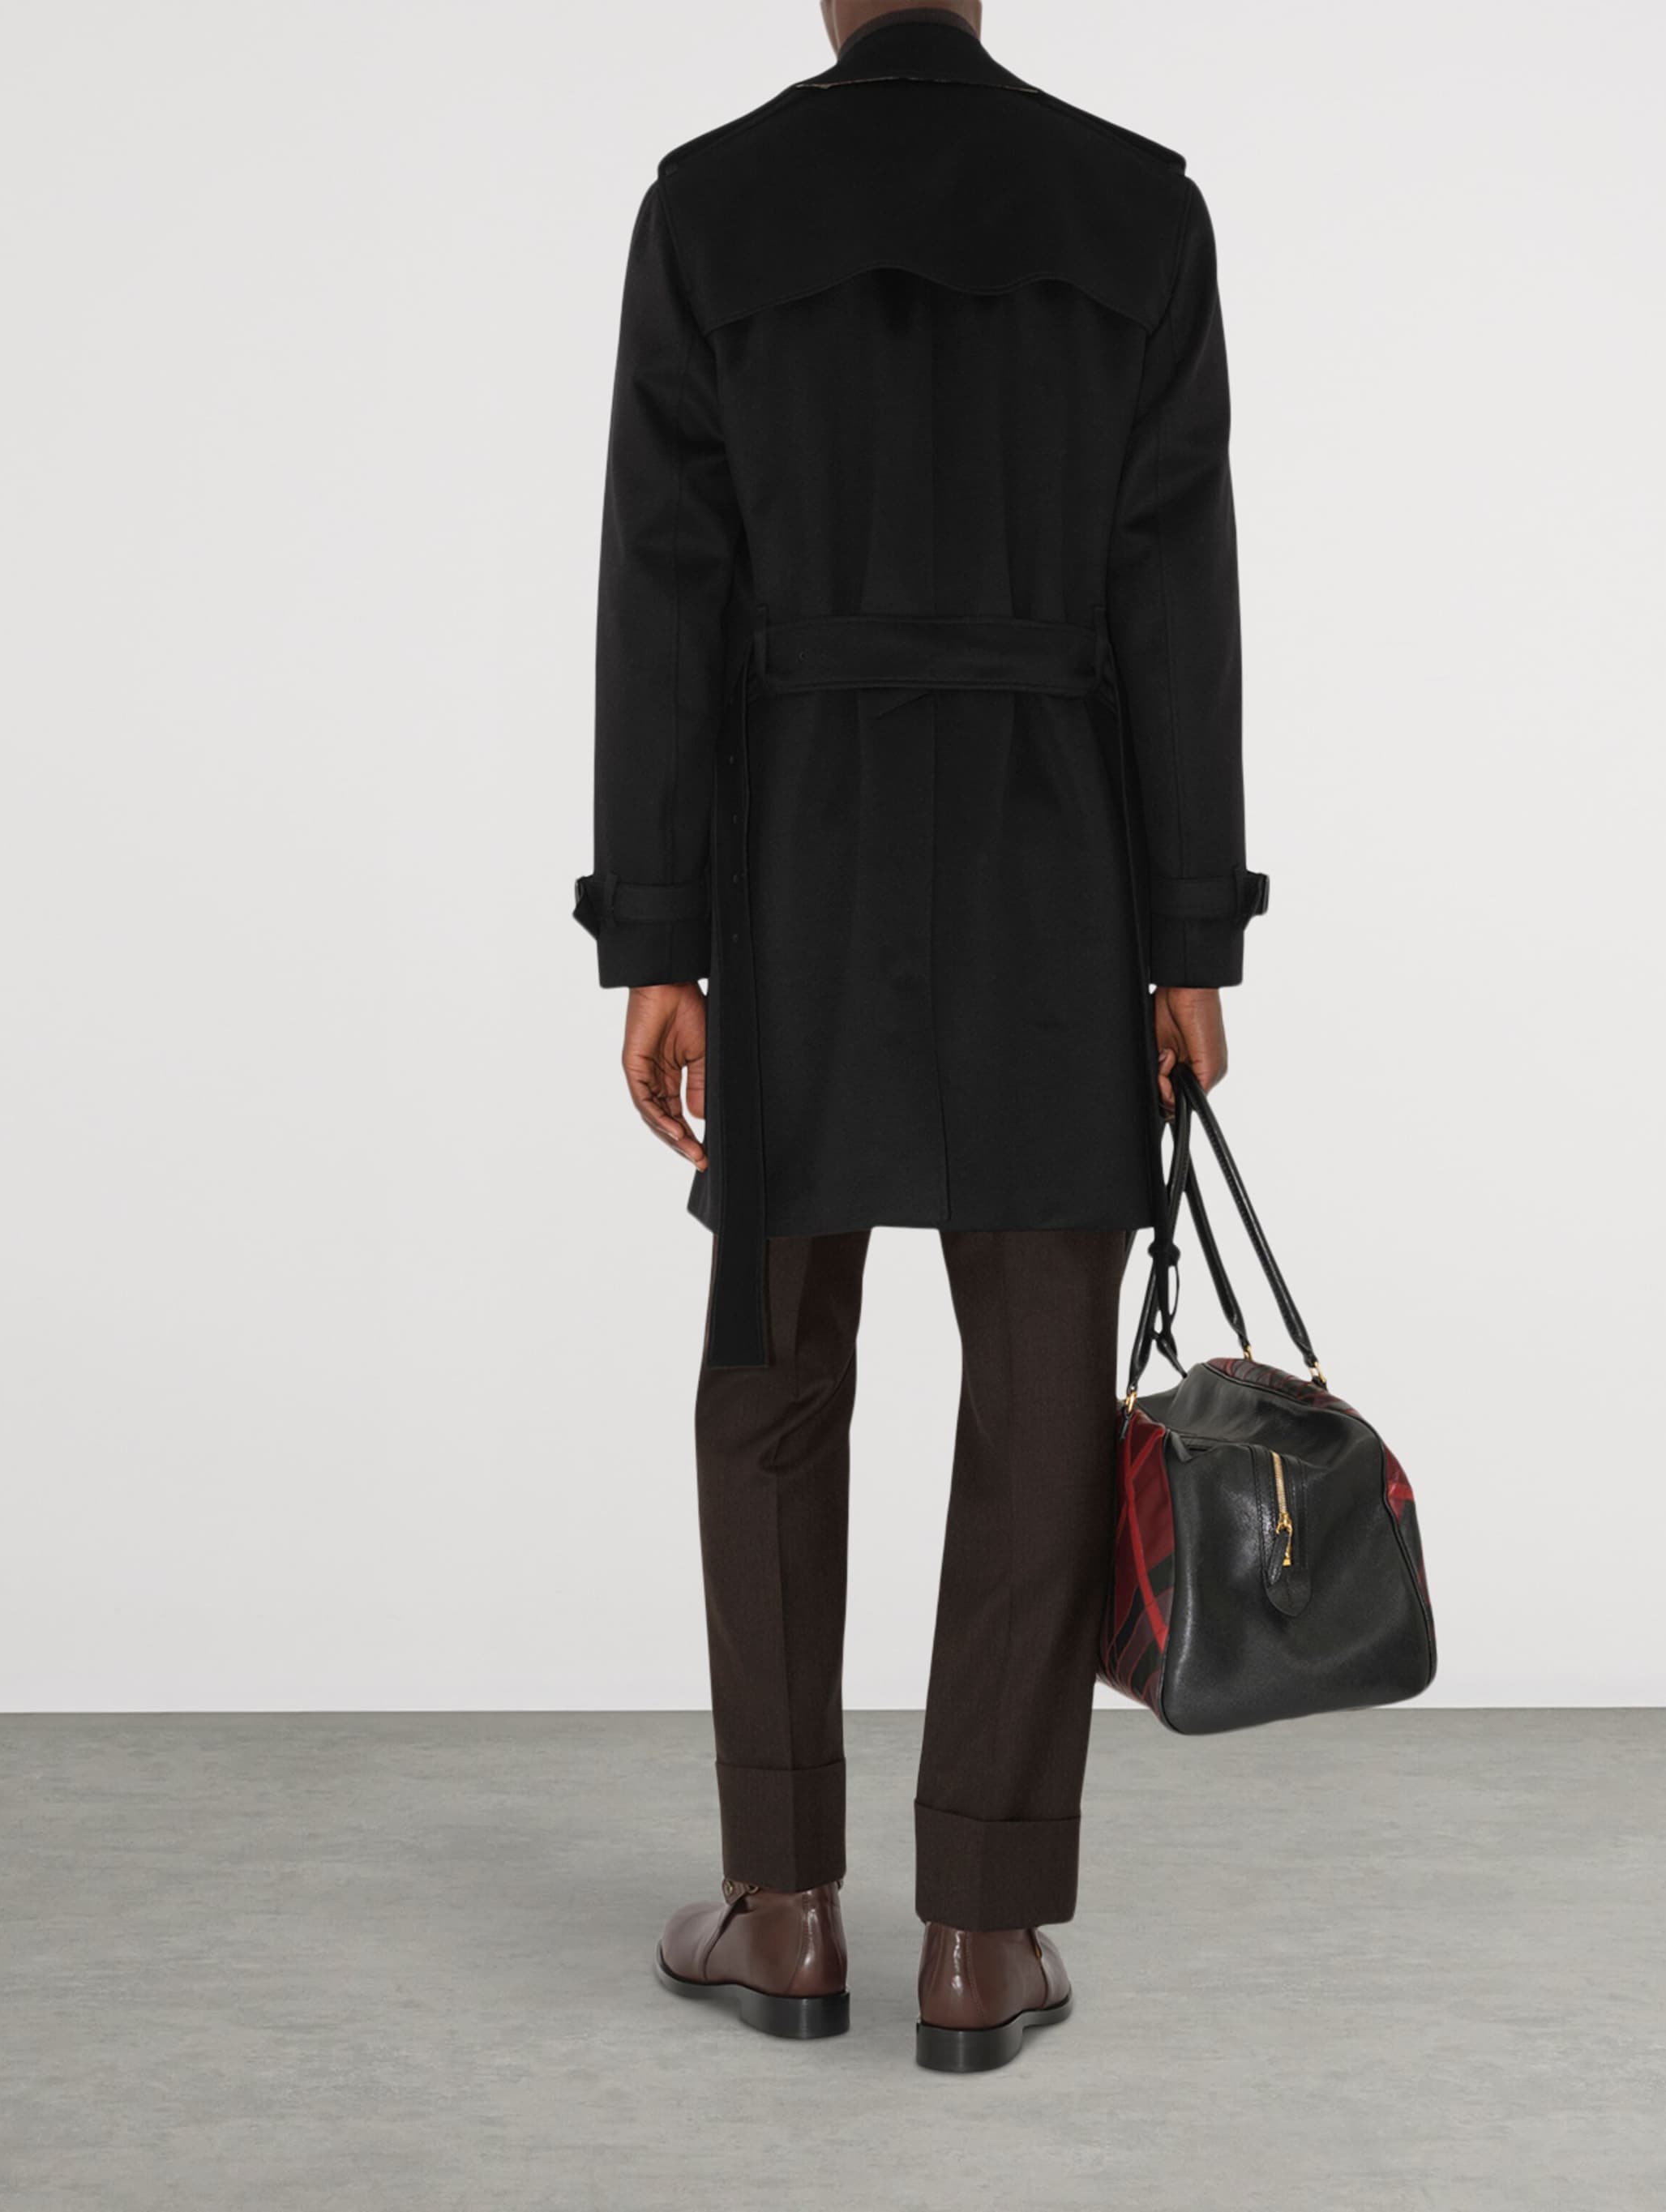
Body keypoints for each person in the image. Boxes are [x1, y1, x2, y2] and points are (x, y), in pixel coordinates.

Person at [575, 0, 1266, 2073]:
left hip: (796, 853)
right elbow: (1174, 589)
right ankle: (980, 1929)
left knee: (773, 1370)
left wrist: (661, 931)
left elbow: (666, 582)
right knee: (1042, 1388)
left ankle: (784, 1909)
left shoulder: (711, 207)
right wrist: (1187, 938)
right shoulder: (1137, 209)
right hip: (1060, 859)